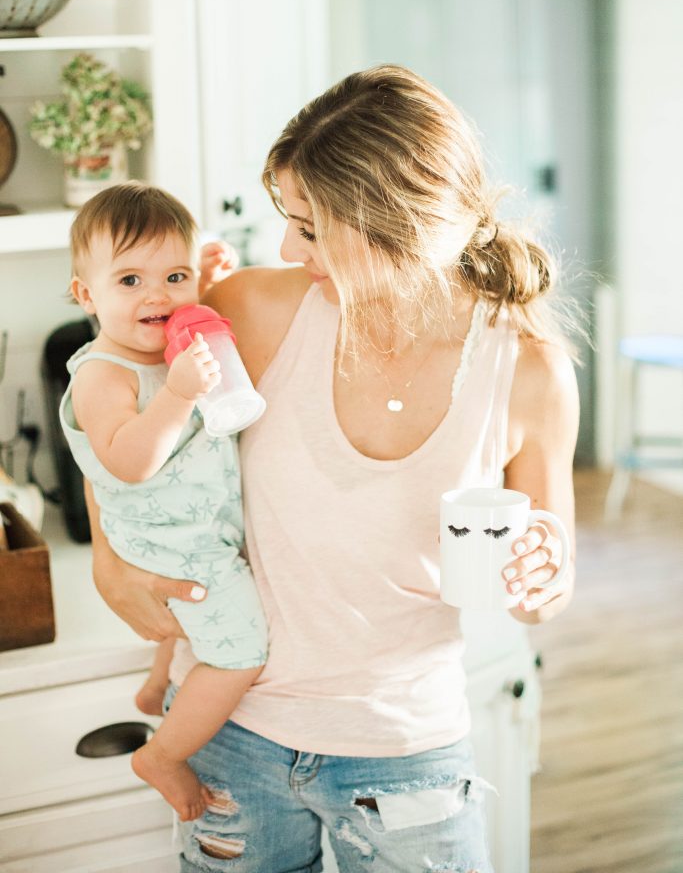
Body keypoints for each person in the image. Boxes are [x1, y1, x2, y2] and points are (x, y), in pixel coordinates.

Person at [87, 66, 580, 872]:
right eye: (290, 220)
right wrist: (112, 562)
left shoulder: (526, 372)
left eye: (311, 228)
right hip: (228, 733)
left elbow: (544, 589)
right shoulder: (254, 310)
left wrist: (542, 571)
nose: (287, 248)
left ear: (396, 225)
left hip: (405, 754)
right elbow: (112, 396)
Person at [59, 182, 268, 823]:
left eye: (173, 275)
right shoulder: (104, 373)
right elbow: (127, 460)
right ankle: (163, 755)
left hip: (189, 529)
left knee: (187, 616)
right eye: (129, 280)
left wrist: (201, 278)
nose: (157, 296)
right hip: (166, 536)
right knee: (241, 649)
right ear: (86, 296)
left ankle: (158, 684)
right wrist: (177, 396)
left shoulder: (169, 347)